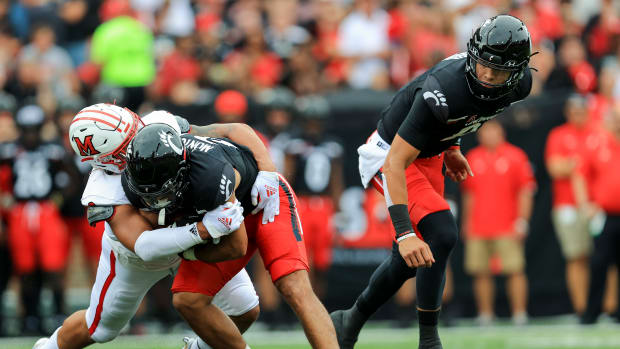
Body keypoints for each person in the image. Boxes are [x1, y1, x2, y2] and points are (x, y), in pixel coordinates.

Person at [330, 15, 533, 349]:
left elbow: (470, 114)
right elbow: (395, 161)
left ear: (517, 71)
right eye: (483, 65)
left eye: (498, 71)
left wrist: (451, 145)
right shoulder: (444, 90)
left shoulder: (519, 86)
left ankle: (350, 319)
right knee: (441, 233)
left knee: (412, 257)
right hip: (392, 153)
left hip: (430, 152)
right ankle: (429, 339)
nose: (486, 75)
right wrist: (404, 231)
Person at [34, 104, 278, 349]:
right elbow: (145, 246)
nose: (140, 141)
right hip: (136, 260)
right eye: (127, 144)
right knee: (101, 327)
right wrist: (203, 230)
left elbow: (226, 130)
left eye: (134, 131)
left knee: (245, 309)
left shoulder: (157, 125)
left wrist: (268, 171)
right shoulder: (104, 188)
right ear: (106, 161)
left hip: (193, 240)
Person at [122, 123, 339, 348]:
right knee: (188, 300)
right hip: (221, 211)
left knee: (294, 287)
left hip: (263, 203)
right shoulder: (133, 175)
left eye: (163, 189)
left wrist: (267, 171)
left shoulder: (208, 175)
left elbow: (237, 247)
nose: (155, 199)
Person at [0, 105, 71, 335]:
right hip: (19, 212)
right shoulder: (8, 150)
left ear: (41, 128)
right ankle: (30, 316)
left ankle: (58, 313)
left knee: (53, 265)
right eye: (26, 129)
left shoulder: (53, 149)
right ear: (19, 128)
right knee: (25, 267)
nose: (30, 134)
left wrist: (59, 199)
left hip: (46, 210)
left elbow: (71, 176)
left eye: (34, 129)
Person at [461, 120, 535, 326]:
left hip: (507, 225)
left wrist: (522, 221)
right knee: (480, 271)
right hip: (479, 225)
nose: (489, 135)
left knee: (515, 269)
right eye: (485, 131)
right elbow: (469, 194)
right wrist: (467, 222)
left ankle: (519, 313)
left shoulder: (515, 156)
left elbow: (526, 191)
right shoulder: (473, 157)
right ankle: (486, 314)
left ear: (501, 131)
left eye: (493, 130)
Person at [544, 93, 602, 315]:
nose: (578, 115)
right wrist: (579, 165)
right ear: (568, 112)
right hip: (568, 204)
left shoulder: (597, 133)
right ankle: (582, 307)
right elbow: (554, 167)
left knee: (604, 257)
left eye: (582, 111)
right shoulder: (559, 135)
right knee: (576, 256)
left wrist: (575, 164)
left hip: (598, 204)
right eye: (574, 111)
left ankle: (607, 306)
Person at [574, 102, 620, 324]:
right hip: (605, 215)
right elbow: (581, 174)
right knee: (599, 263)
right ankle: (592, 312)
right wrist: (585, 204)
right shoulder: (598, 144)